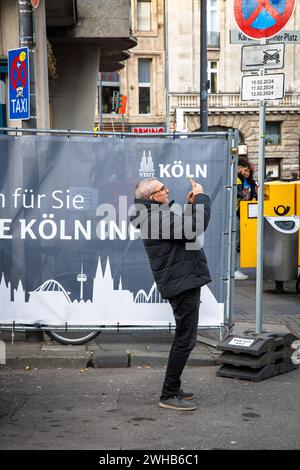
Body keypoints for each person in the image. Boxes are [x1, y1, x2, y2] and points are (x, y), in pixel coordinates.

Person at [131, 177, 211, 411]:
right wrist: (202, 199)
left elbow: (183, 232)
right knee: (185, 340)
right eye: (163, 189)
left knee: (185, 338)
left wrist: (191, 206)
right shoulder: (153, 217)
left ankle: (173, 388)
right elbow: (193, 229)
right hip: (181, 283)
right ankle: (168, 394)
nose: (167, 191)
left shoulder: (155, 214)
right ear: (152, 197)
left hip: (183, 279)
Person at [235, 159, 257, 280]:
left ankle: (234, 269)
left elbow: (253, 193)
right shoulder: (237, 180)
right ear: (239, 168)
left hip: (247, 213)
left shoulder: (250, 182)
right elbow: (238, 194)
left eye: (249, 171)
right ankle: (233, 270)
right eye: (245, 170)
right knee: (235, 241)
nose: (247, 173)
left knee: (239, 241)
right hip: (238, 212)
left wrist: (253, 197)